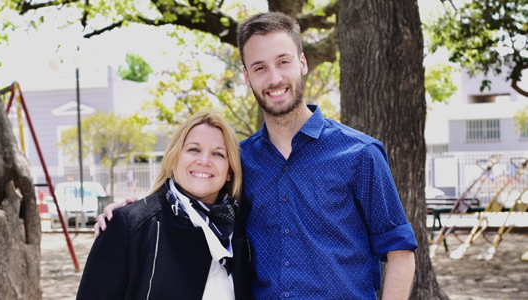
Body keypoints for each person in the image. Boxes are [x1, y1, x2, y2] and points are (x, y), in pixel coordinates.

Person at [97, 12, 417, 300]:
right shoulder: (239, 162)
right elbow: (186, 205)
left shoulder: (360, 154)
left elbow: (400, 252)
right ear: (248, 77)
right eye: (260, 68)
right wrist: (129, 215)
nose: (274, 78)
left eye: (283, 62)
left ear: (302, 63)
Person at [78, 112, 251, 300]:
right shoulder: (130, 226)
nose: (204, 161)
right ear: (173, 159)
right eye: (194, 149)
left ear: (229, 171)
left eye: (218, 154)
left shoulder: (243, 232)